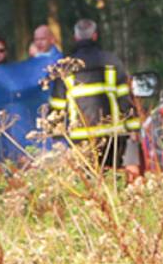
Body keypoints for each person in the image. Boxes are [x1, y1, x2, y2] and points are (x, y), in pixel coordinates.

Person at [48, 19, 141, 176]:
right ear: (95, 36)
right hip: (112, 135)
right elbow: (125, 99)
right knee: (113, 177)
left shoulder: (64, 67)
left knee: (89, 178)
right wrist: (133, 129)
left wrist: (54, 133)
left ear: (75, 38)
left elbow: (57, 105)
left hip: (81, 137)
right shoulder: (111, 61)